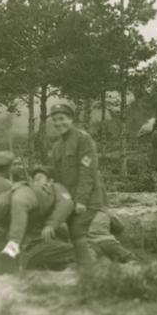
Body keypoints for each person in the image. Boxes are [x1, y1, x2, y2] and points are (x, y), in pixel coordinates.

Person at [49, 102, 107, 268]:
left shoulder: (83, 139)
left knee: (77, 233)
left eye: (62, 118)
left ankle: (88, 274)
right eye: (55, 120)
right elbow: (58, 176)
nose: (58, 123)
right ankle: (87, 265)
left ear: (71, 119)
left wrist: (81, 200)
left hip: (87, 199)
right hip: (69, 200)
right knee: (69, 234)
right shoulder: (57, 146)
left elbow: (87, 172)